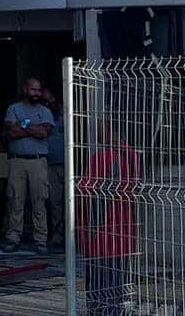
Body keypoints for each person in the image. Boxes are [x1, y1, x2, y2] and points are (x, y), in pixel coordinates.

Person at [78, 121, 143, 316]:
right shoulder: (132, 155)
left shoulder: (102, 157)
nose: (95, 133)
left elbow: (85, 192)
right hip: (125, 230)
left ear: (109, 130)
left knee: (99, 283)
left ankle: (99, 311)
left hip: (101, 232)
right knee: (119, 281)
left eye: (99, 128)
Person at [1, 76, 55, 251]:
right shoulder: (13, 108)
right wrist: (33, 128)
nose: (36, 93)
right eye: (33, 89)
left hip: (37, 161)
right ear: (25, 89)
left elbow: (43, 133)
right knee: (15, 200)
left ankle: (40, 240)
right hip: (17, 160)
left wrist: (23, 125)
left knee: (39, 201)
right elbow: (11, 132)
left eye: (39, 90)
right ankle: (13, 238)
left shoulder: (45, 111)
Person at [42, 87, 67, 249]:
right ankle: (58, 235)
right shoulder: (40, 114)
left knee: (71, 200)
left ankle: (72, 234)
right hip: (50, 163)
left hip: (69, 163)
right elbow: (24, 125)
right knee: (54, 201)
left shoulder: (67, 112)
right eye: (45, 100)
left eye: (50, 98)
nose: (48, 102)